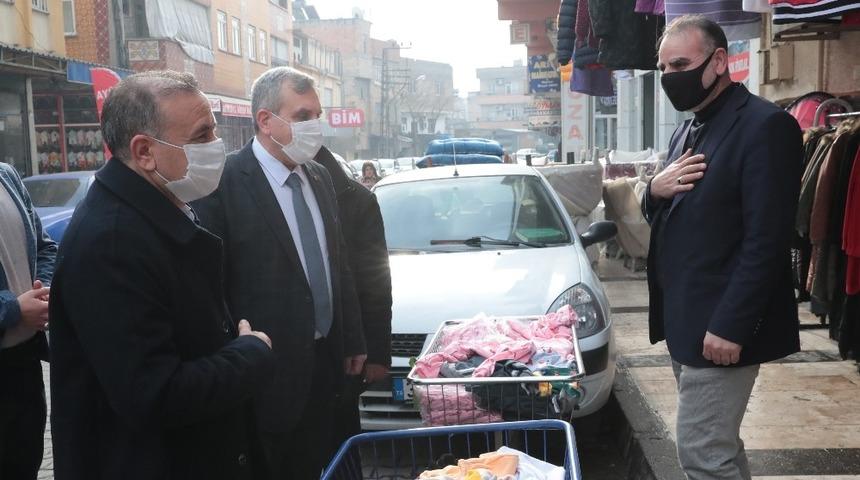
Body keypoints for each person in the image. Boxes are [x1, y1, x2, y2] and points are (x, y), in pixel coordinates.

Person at [48, 71, 275, 480]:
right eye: (202, 135)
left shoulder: (161, 208)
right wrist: (249, 353)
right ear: (144, 152)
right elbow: (154, 393)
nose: (217, 146)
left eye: (214, 131)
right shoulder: (113, 243)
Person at [642, 16, 802, 480]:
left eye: (680, 65)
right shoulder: (686, 131)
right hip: (685, 322)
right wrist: (653, 191)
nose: (670, 77)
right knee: (718, 449)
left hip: (722, 327)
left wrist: (732, 325)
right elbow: (669, 216)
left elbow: (767, 240)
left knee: (702, 454)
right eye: (663, 68)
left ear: (718, 61)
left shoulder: (765, 126)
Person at [193, 66, 366, 479]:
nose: (314, 126)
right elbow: (213, 283)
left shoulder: (319, 176)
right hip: (266, 374)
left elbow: (338, 263)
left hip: (327, 365)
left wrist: (353, 337)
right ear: (265, 121)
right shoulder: (224, 183)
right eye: (302, 116)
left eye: (317, 115)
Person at [315, 146, 393, 452]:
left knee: (340, 447)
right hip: (283, 359)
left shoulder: (356, 200)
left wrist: (376, 353)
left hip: (343, 352)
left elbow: (375, 280)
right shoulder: (250, 185)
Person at [0, 163, 56, 480]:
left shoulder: (6, 176)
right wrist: (14, 309)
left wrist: (41, 291)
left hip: (24, 366)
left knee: (24, 464)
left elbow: (45, 248)